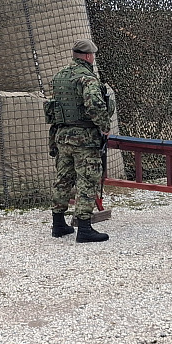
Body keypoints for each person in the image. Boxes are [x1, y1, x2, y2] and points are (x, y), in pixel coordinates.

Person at [44, 38, 115, 243]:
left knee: (63, 179)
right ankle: (84, 227)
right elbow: (95, 105)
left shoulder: (60, 77)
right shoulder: (87, 78)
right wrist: (105, 127)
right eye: (92, 55)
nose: (93, 59)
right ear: (87, 56)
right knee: (87, 179)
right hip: (84, 139)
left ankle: (58, 224)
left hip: (62, 136)